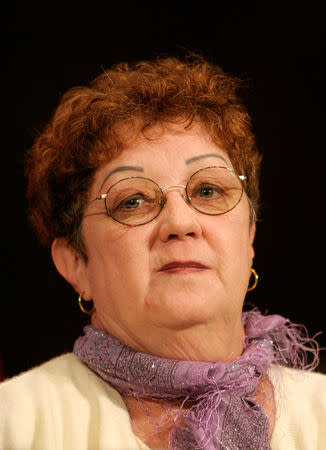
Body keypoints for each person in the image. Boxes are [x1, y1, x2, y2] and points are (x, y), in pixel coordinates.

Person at [0, 55, 325, 450]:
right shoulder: (15, 423)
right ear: (76, 263)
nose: (181, 223)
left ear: (249, 237)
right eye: (133, 201)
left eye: (209, 191)